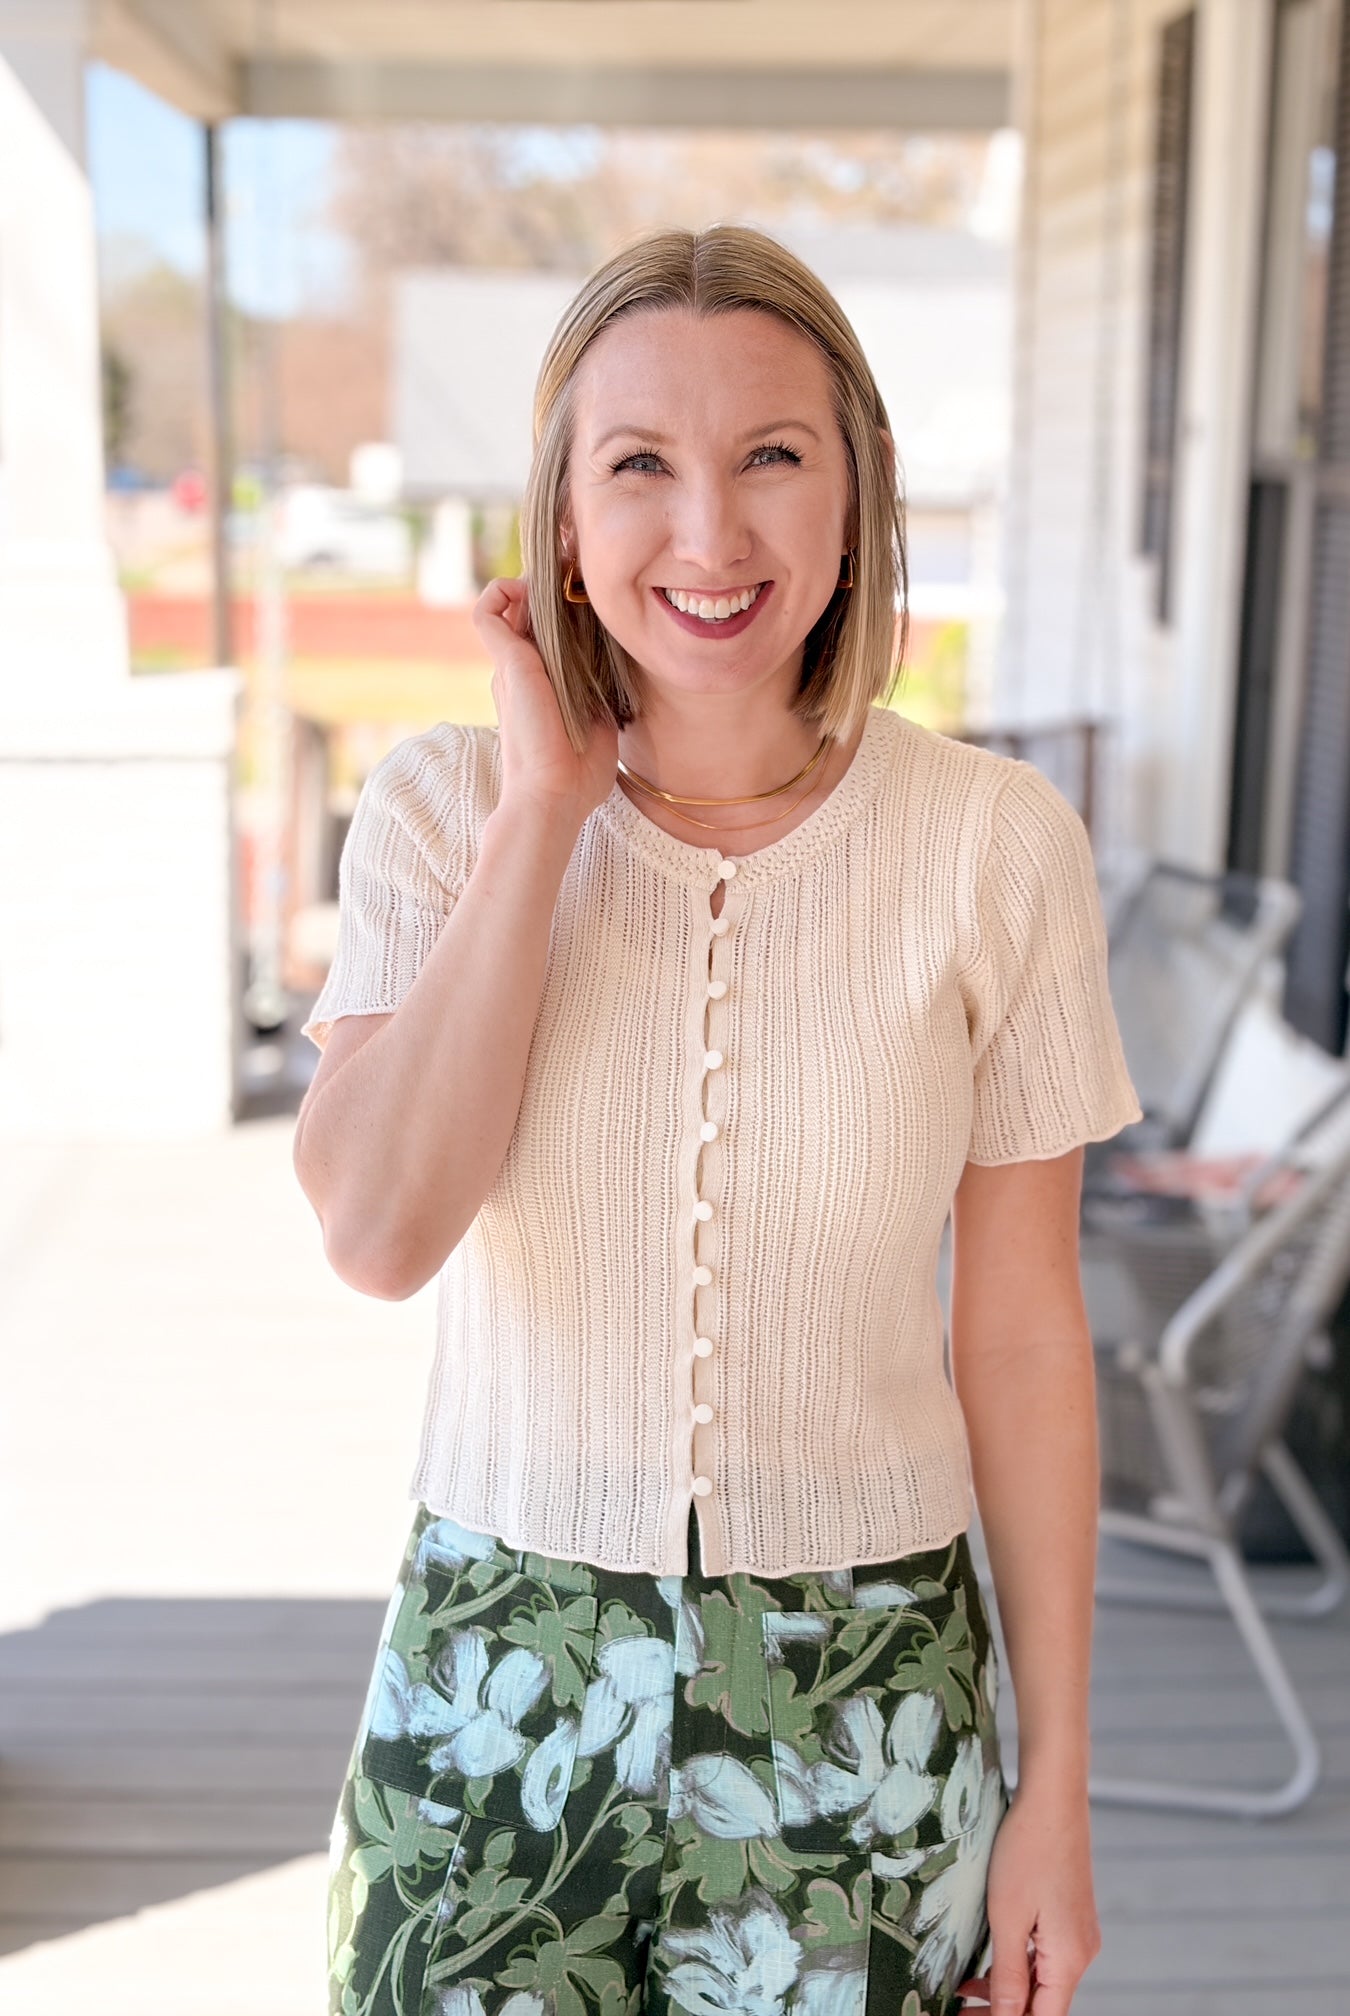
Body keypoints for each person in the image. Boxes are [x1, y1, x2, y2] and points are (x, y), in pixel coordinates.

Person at [293, 224, 1143, 2016]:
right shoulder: (443, 813)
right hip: (493, 1672)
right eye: (639, 468)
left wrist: (1053, 1781)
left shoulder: (992, 847)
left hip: (872, 1689)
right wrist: (548, 806)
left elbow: (1019, 1335)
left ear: (861, 492)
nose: (709, 534)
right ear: (562, 517)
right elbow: (375, 1235)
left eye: (772, 454)